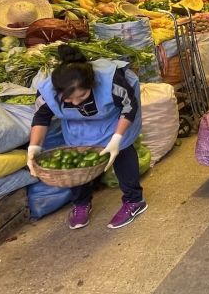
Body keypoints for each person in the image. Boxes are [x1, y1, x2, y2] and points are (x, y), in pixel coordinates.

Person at [27, 45, 145, 230]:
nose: (75, 103)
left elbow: (129, 108)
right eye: (68, 100)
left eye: (81, 96)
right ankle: (81, 203)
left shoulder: (111, 82)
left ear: (92, 85)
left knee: (121, 151)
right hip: (79, 125)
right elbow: (41, 118)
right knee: (78, 159)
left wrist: (116, 139)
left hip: (115, 116)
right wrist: (34, 148)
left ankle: (134, 200)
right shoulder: (48, 91)